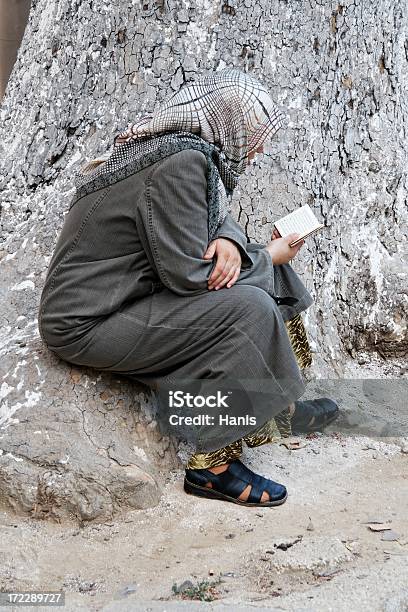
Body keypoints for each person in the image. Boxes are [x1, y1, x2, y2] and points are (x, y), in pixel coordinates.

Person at [37, 68, 338, 508]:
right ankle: (212, 467)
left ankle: (275, 411)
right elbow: (191, 277)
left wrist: (234, 241)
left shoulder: (182, 151)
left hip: (129, 298)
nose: (260, 148)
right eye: (256, 135)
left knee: (268, 275)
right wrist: (266, 255)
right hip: (88, 322)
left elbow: (210, 220)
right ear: (230, 125)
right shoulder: (180, 163)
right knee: (250, 305)